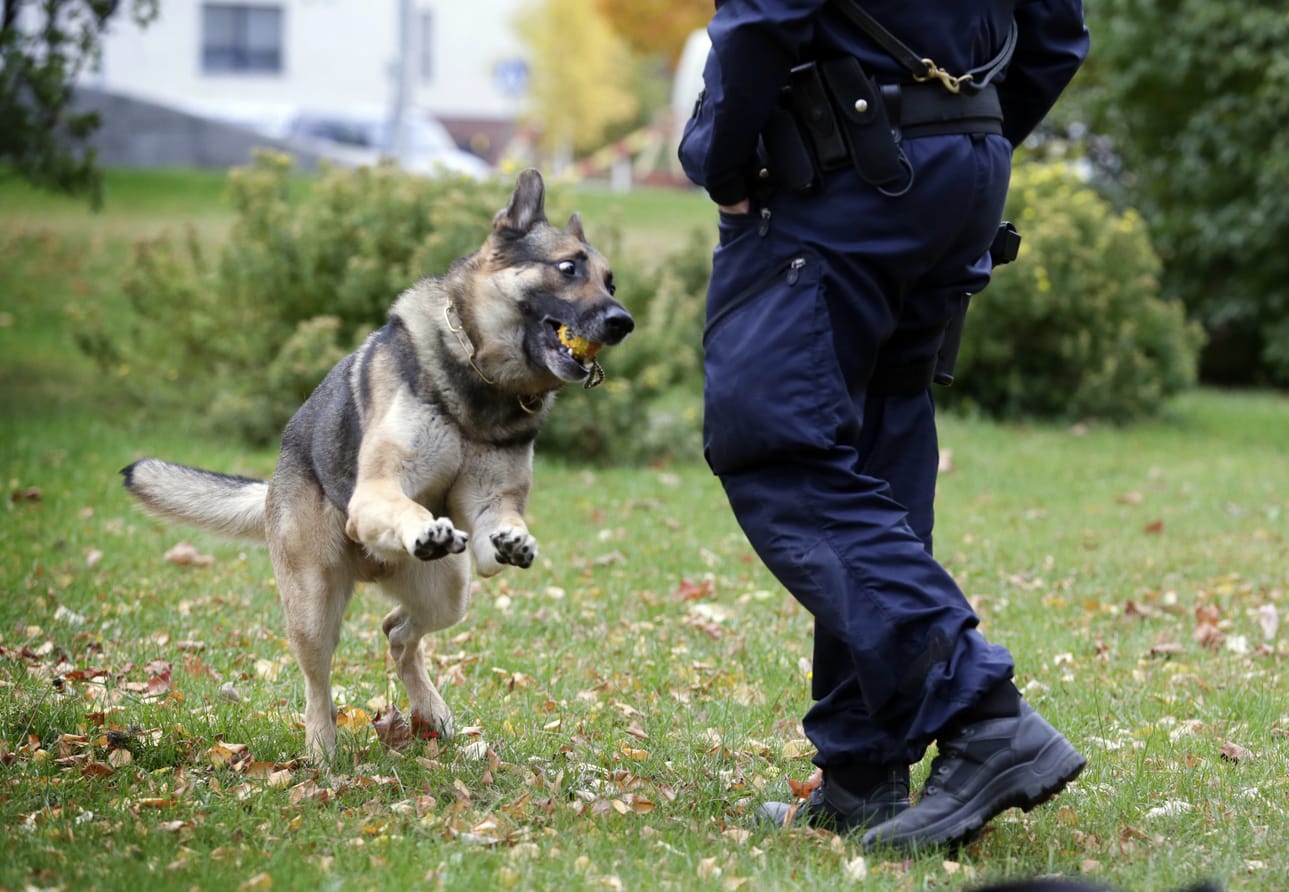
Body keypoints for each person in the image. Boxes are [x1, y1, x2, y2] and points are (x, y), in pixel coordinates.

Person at [678, 0, 1090, 854]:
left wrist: (718, 157)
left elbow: (763, 16)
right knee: (877, 449)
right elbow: (1056, 32)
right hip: (957, 170)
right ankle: (863, 774)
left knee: (778, 445)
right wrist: (961, 135)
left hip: (840, 178)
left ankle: (979, 712)